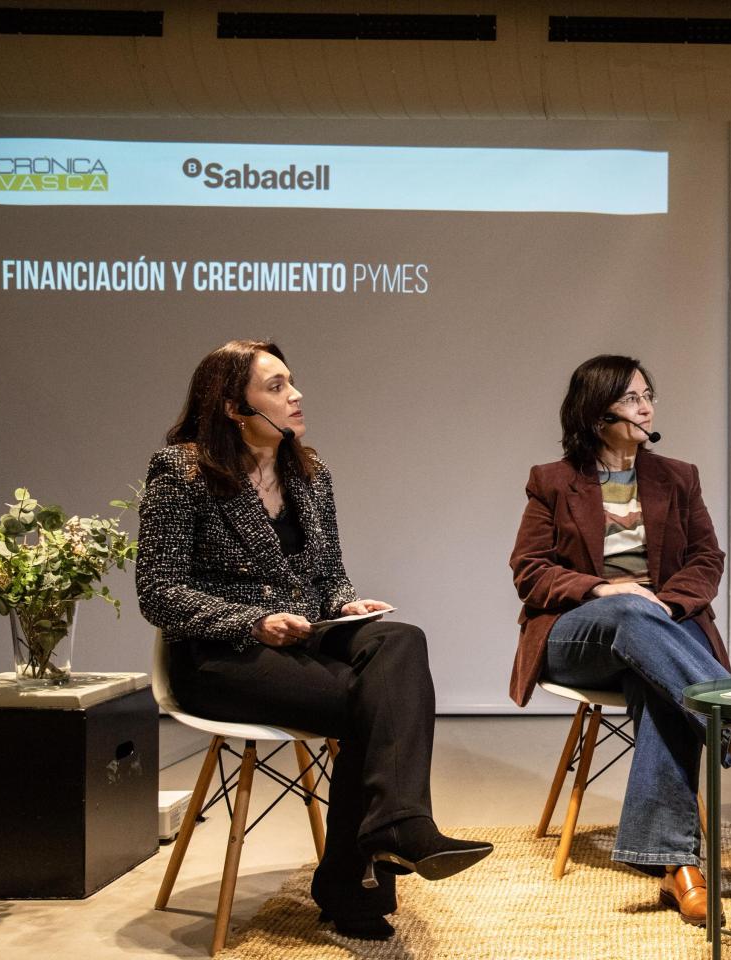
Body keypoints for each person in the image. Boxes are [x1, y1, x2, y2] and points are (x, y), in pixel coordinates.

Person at [136, 340, 490, 942]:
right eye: (275, 387)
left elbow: (326, 575)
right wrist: (251, 622)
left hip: (305, 639)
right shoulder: (183, 471)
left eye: (292, 381)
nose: (295, 395)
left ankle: (394, 830)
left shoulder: (311, 471)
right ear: (231, 406)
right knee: (369, 709)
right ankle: (359, 870)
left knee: (400, 640)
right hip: (220, 654)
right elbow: (159, 591)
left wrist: (346, 605)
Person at [509, 354, 731, 927]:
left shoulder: (677, 476)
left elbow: (706, 559)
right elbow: (530, 571)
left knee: (661, 687)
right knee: (628, 610)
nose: (646, 406)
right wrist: (605, 589)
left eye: (649, 394)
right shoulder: (552, 480)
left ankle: (677, 868)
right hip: (577, 637)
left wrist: (666, 605)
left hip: (660, 636)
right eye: (630, 398)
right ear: (596, 412)